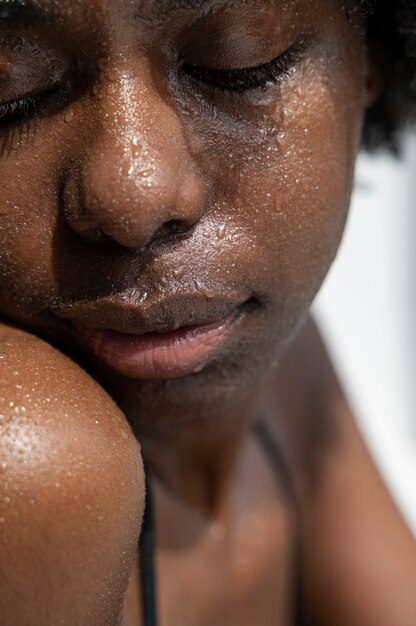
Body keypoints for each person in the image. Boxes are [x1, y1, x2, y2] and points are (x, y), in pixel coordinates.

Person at [0, 1, 415, 624]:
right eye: (14, 93)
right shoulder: (31, 462)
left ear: (370, 62)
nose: (134, 194)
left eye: (236, 64)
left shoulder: (288, 372)